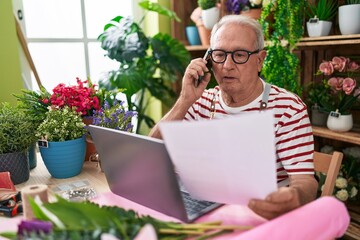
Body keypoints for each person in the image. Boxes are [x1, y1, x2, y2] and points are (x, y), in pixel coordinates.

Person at [149, 15, 318, 220]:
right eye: (219, 54)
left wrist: (295, 196)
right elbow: (150, 153)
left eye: (239, 55)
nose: (227, 65)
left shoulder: (288, 108)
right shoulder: (199, 100)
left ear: (260, 60)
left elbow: (305, 181)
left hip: (256, 215)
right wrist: (184, 100)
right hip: (201, 208)